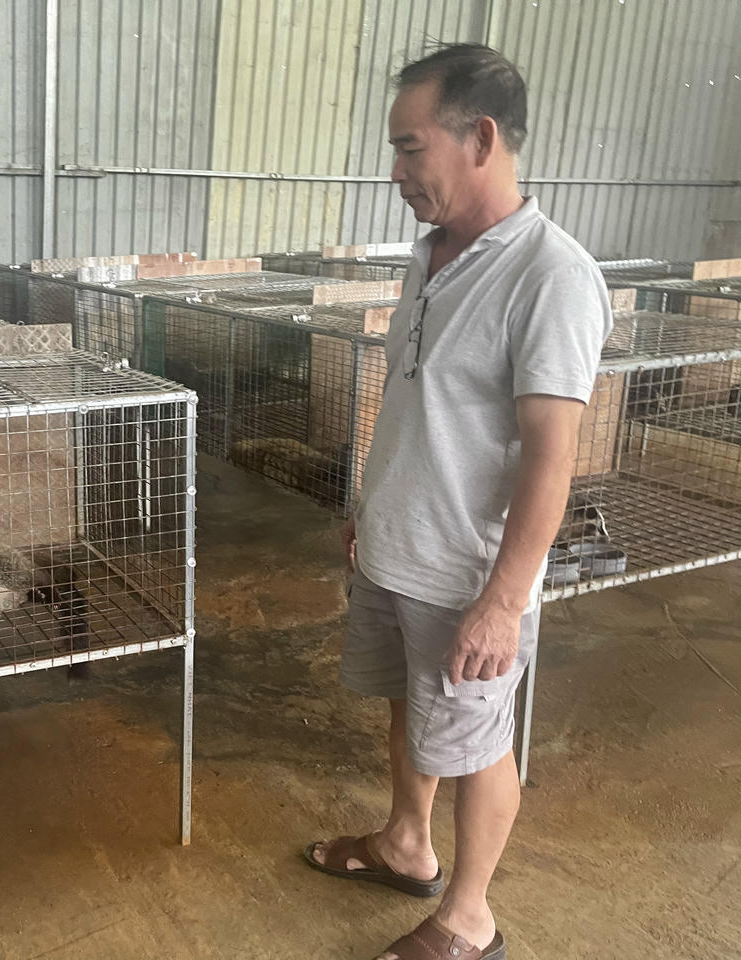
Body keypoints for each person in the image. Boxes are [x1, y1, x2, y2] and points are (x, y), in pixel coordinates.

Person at [303, 43, 613, 960]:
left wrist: (503, 600)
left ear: (479, 138)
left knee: (478, 744)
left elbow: (552, 458)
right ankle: (407, 844)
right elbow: (420, 401)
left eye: (411, 149)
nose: (397, 173)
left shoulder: (551, 277)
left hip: (465, 573)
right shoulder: (430, 253)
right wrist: (371, 504)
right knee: (408, 705)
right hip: (396, 544)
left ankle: (469, 918)